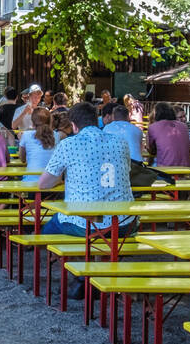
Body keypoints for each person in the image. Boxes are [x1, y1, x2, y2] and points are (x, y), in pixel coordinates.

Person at [39, 103, 137, 299]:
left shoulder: (69, 144)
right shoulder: (120, 142)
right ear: (97, 119)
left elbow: (44, 184)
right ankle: (96, 274)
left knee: (46, 233)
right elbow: (125, 172)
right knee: (108, 237)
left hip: (85, 223)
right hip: (126, 222)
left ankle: (83, 276)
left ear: (74, 125)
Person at [18, 107, 61, 183]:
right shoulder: (56, 135)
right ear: (50, 121)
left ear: (33, 123)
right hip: (51, 182)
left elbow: (22, 160)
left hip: (30, 181)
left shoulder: (26, 135)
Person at [146, 102, 190, 168]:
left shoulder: (153, 127)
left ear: (156, 114)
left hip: (165, 170)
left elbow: (150, 150)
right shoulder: (184, 126)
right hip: (186, 168)